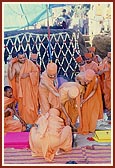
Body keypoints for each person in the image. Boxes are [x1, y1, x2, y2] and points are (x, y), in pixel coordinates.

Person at [8, 51, 39, 125]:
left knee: (30, 105)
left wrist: (28, 74)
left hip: (29, 88)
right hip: (20, 89)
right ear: (17, 58)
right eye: (20, 58)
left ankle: (33, 121)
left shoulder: (29, 63)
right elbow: (11, 77)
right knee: (23, 106)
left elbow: (36, 72)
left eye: (24, 57)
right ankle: (25, 122)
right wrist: (9, 66)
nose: (23, 59)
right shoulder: (15, 66)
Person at [77, 69, 103, 135]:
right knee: (84, 110)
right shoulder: (79, 76)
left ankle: (91, 128)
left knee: (93, 110)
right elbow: (79, 88)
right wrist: (82, 98)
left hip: (94, 96)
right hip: (84, 93)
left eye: (89, 81)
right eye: (86, 80)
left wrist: (85, 100)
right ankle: (85, 127)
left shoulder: (95, 79)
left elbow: (93, 91)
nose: (88, 82)